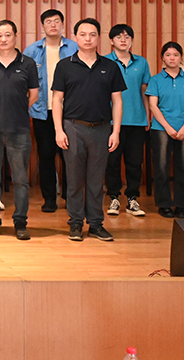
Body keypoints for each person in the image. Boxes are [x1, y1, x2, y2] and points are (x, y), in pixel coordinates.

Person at [51, 18, 126, 242]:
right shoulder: (64, 65)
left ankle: (95, 224)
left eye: (92, 34)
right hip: (73, 128)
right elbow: (57, 100)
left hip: (101, 129)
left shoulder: (110, 66)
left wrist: (116, 131)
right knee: (74, 180)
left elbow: (117, 101)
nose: (87, 39)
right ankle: (75, 223)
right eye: (83, 34)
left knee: (96, 181)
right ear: (75, 37)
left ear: (98, 38)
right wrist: (58, 130)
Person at [0, 20, 39, 240]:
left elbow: (34, 95)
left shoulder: (27, 63)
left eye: (8, 35)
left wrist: (17, 109)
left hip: (19, 129)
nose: (3, 39)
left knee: (20, 179)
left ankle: (20, 222)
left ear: (15, 36)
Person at [24, 9, 79, 213]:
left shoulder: (74, 48)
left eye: (56, 21)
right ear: (42, 26)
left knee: (70, 157)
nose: (53, 25)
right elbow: (25, 81)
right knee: (46, 156)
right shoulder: (32, 51)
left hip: (70, 112)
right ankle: (49, 198)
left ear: (62, 24)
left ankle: (70, 196)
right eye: (48, 21)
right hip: (42, 111)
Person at [146, 42, 184, 219]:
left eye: (176, 55)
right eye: (168, 55)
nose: (172, 58)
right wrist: (168, 128)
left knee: (183, 166)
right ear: (162, 58)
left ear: (181, 57)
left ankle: (181, 205)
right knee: (161, 166)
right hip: (161, 128)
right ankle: (164, 204)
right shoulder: (155, 80)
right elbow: (153, 106)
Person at [105, 24, 152, 218]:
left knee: (135, 162)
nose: (123, 40)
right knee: (112, 162)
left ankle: (132, 198)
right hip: (110, 122)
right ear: (111, 41)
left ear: (132, 40)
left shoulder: (142, 62)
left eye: (127, 37)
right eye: (118, 37)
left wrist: (147, 116)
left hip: (137, 120)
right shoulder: (105, 61)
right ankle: (114, 197)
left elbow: (144, 91)